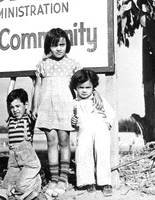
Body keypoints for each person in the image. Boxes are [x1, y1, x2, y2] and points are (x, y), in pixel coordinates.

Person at [32, 28, 102, 198]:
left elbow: (85, 83)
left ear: (67, 45)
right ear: (48, 46)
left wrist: (96, 93)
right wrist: (35, 107)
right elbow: (37, 87)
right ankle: (53, 179)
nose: (58, 48)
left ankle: (63, 179)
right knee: (51, 141)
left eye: (62, 45)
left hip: (66, 106)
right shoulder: (43, 64)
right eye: (55, 45)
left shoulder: (73, 64)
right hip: (47, 107)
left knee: (64, 141)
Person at [70, 69, 115, 197]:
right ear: (76, 88)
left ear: (93, 87)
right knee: (84, 152)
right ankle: (88, 181)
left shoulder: (98, 100)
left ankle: (105, 182)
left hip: (100, 128)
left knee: (102, 152)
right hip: (84, 130)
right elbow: (74, 122)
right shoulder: (75, 103)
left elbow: (110, 113)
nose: (84, 90)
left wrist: (107, 124)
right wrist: (73, 122)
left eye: (88, 87)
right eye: (81, 87)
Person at [2, 79, 41, 200]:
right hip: (13, 160)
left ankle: (37, 182)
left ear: (26, 105)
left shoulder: (28, 118)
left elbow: (35, 103)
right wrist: (13, 79)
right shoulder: (11, 119)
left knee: (21, 186)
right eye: (12, 107)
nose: (15, 110)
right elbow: (7, 99)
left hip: (28, 159)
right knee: (6, 186)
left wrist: (35, 82)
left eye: (18, 106)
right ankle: (16, 190)